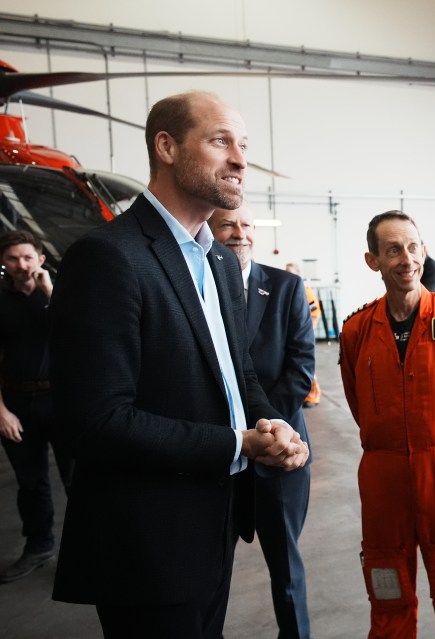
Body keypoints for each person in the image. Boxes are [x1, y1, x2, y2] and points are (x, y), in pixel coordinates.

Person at [48, 91, 309, 639]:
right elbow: (97, 422)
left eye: (243, 145)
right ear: (166, 147)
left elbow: (239, 375)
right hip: (147, 541)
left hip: (213, 524)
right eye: (221, 141)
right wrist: (239, 445)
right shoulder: (109, 257)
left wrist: (271, 423)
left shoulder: (215, 258)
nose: (240, 158)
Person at [338, 210, 435, 638]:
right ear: (373, 261)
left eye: (413, 247)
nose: (406, 258)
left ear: (423, 251)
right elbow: (356, 399)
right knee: (388, 598)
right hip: (383, 480)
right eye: (393, 250)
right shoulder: (356, 330)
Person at [211, 203, 315, 638]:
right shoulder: (198, 287)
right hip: (217, 451)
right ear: (208, 231)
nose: (239, 232)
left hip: (280, 448)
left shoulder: (287, 286)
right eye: (227, 224)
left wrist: (268, 433)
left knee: (286, 567)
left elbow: (301, 368)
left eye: (246, 224)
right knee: (209, 571)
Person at [0, 229, 73, 584]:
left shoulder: (59, 291)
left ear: (41, 259)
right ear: (3, 261)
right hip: (15, 402)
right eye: (13, 258)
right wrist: (1, 411)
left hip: (61, 399)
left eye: (27, 257)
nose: (21, 264)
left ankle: (84, 551)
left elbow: (81, 330)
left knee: (76, 478)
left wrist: (49, 290)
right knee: (30, 483)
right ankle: (39, 545)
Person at [285, 262, 323, 407]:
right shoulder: (288, 290)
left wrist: (306, 333)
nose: (287, 274)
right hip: (293, 334)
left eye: (290, 272)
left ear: (299, 273)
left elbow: (315, 313)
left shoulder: (306, 291)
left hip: (304, 334)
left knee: (306, 366)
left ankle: (313, 397)